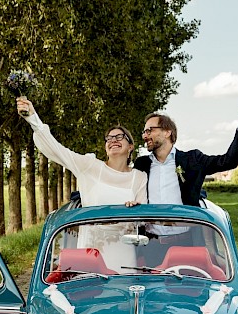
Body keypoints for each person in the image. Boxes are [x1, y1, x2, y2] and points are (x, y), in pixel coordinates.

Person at [17, 97, 146, 272]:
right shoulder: (90, 166)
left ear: (131, 146)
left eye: (119, 137)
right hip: (91, 252)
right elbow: (57, 150)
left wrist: (136, 207)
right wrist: (33, 118)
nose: (113, 140)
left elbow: (144, 216)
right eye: (109, 137)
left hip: (124, 252)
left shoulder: (139, 177)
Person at [134, 103, 238, 206]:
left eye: (150, 130)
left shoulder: (193, 159)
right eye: (144, 132)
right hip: (150, 234)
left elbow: (228, 161)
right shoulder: (141, 164)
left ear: (167, 132)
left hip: (185, 233)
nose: (145, 136)